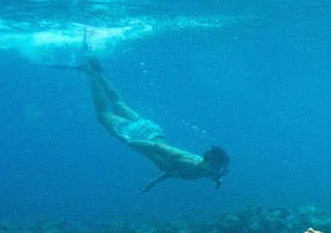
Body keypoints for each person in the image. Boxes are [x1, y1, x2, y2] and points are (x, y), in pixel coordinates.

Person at [78, 53, 229, 190]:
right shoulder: (189, 163)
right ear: (208, 161)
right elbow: (158, 148)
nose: (217, 170)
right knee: (103, 114)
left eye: (219, 168)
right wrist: (132, 142)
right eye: (216, 166)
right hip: (142, 137)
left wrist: (152, 183)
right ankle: (93, 73)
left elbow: (173, 171)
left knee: (119, 104)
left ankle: (97, 73)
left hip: (152, 131)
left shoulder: (202, 171)